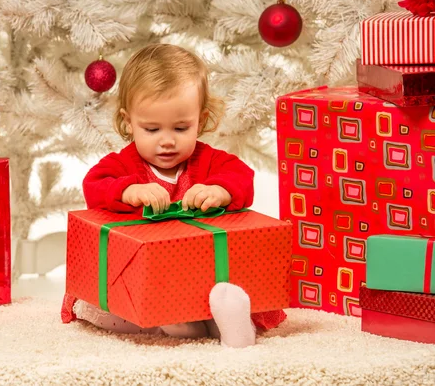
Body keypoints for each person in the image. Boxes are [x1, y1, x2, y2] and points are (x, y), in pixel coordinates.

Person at [62, 43, 286, 348]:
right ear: (128, 122)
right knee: (104, 308)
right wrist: (129, 191)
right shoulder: (123, 164)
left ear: (201, 120)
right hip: (145, 280)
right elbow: (94, 185)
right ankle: (183, 326)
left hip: (200, 278)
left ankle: (232, 327)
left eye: (181, 128)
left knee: (223, 295)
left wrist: (219, 190)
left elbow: (242, 177)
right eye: (152, 129)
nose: (167, 141)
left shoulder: (207, 161)